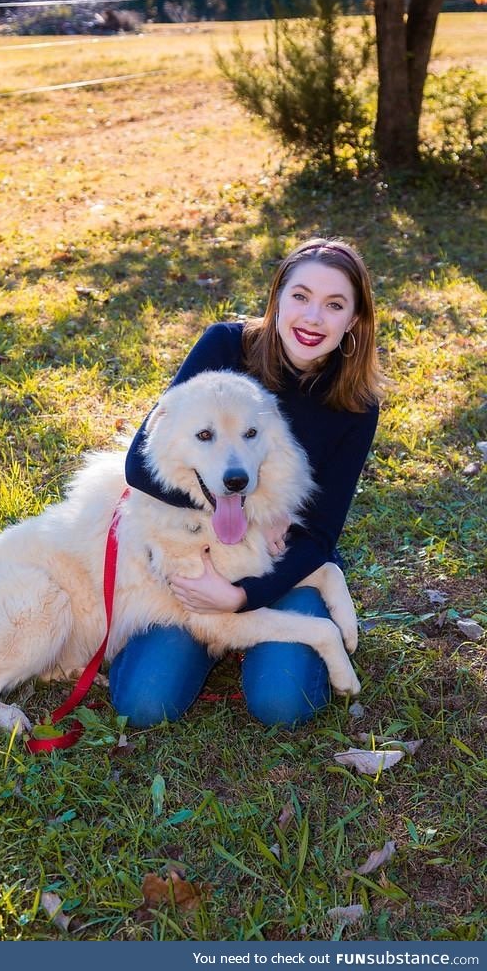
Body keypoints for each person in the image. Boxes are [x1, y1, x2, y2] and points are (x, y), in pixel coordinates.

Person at [109, 238, 383, 729]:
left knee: (283, 704)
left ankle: (245, 629)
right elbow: (139, 467)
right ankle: (213, 640)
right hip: (199, 549)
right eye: (300, 296)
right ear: (277, 298)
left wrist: (240, 599)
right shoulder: (224, 348)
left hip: (285, 559)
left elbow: (319, 534)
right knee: (144, 703)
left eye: (334, 305)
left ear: (354, 322)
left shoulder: (355, 406)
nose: (313, 317)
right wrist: (255, 504)